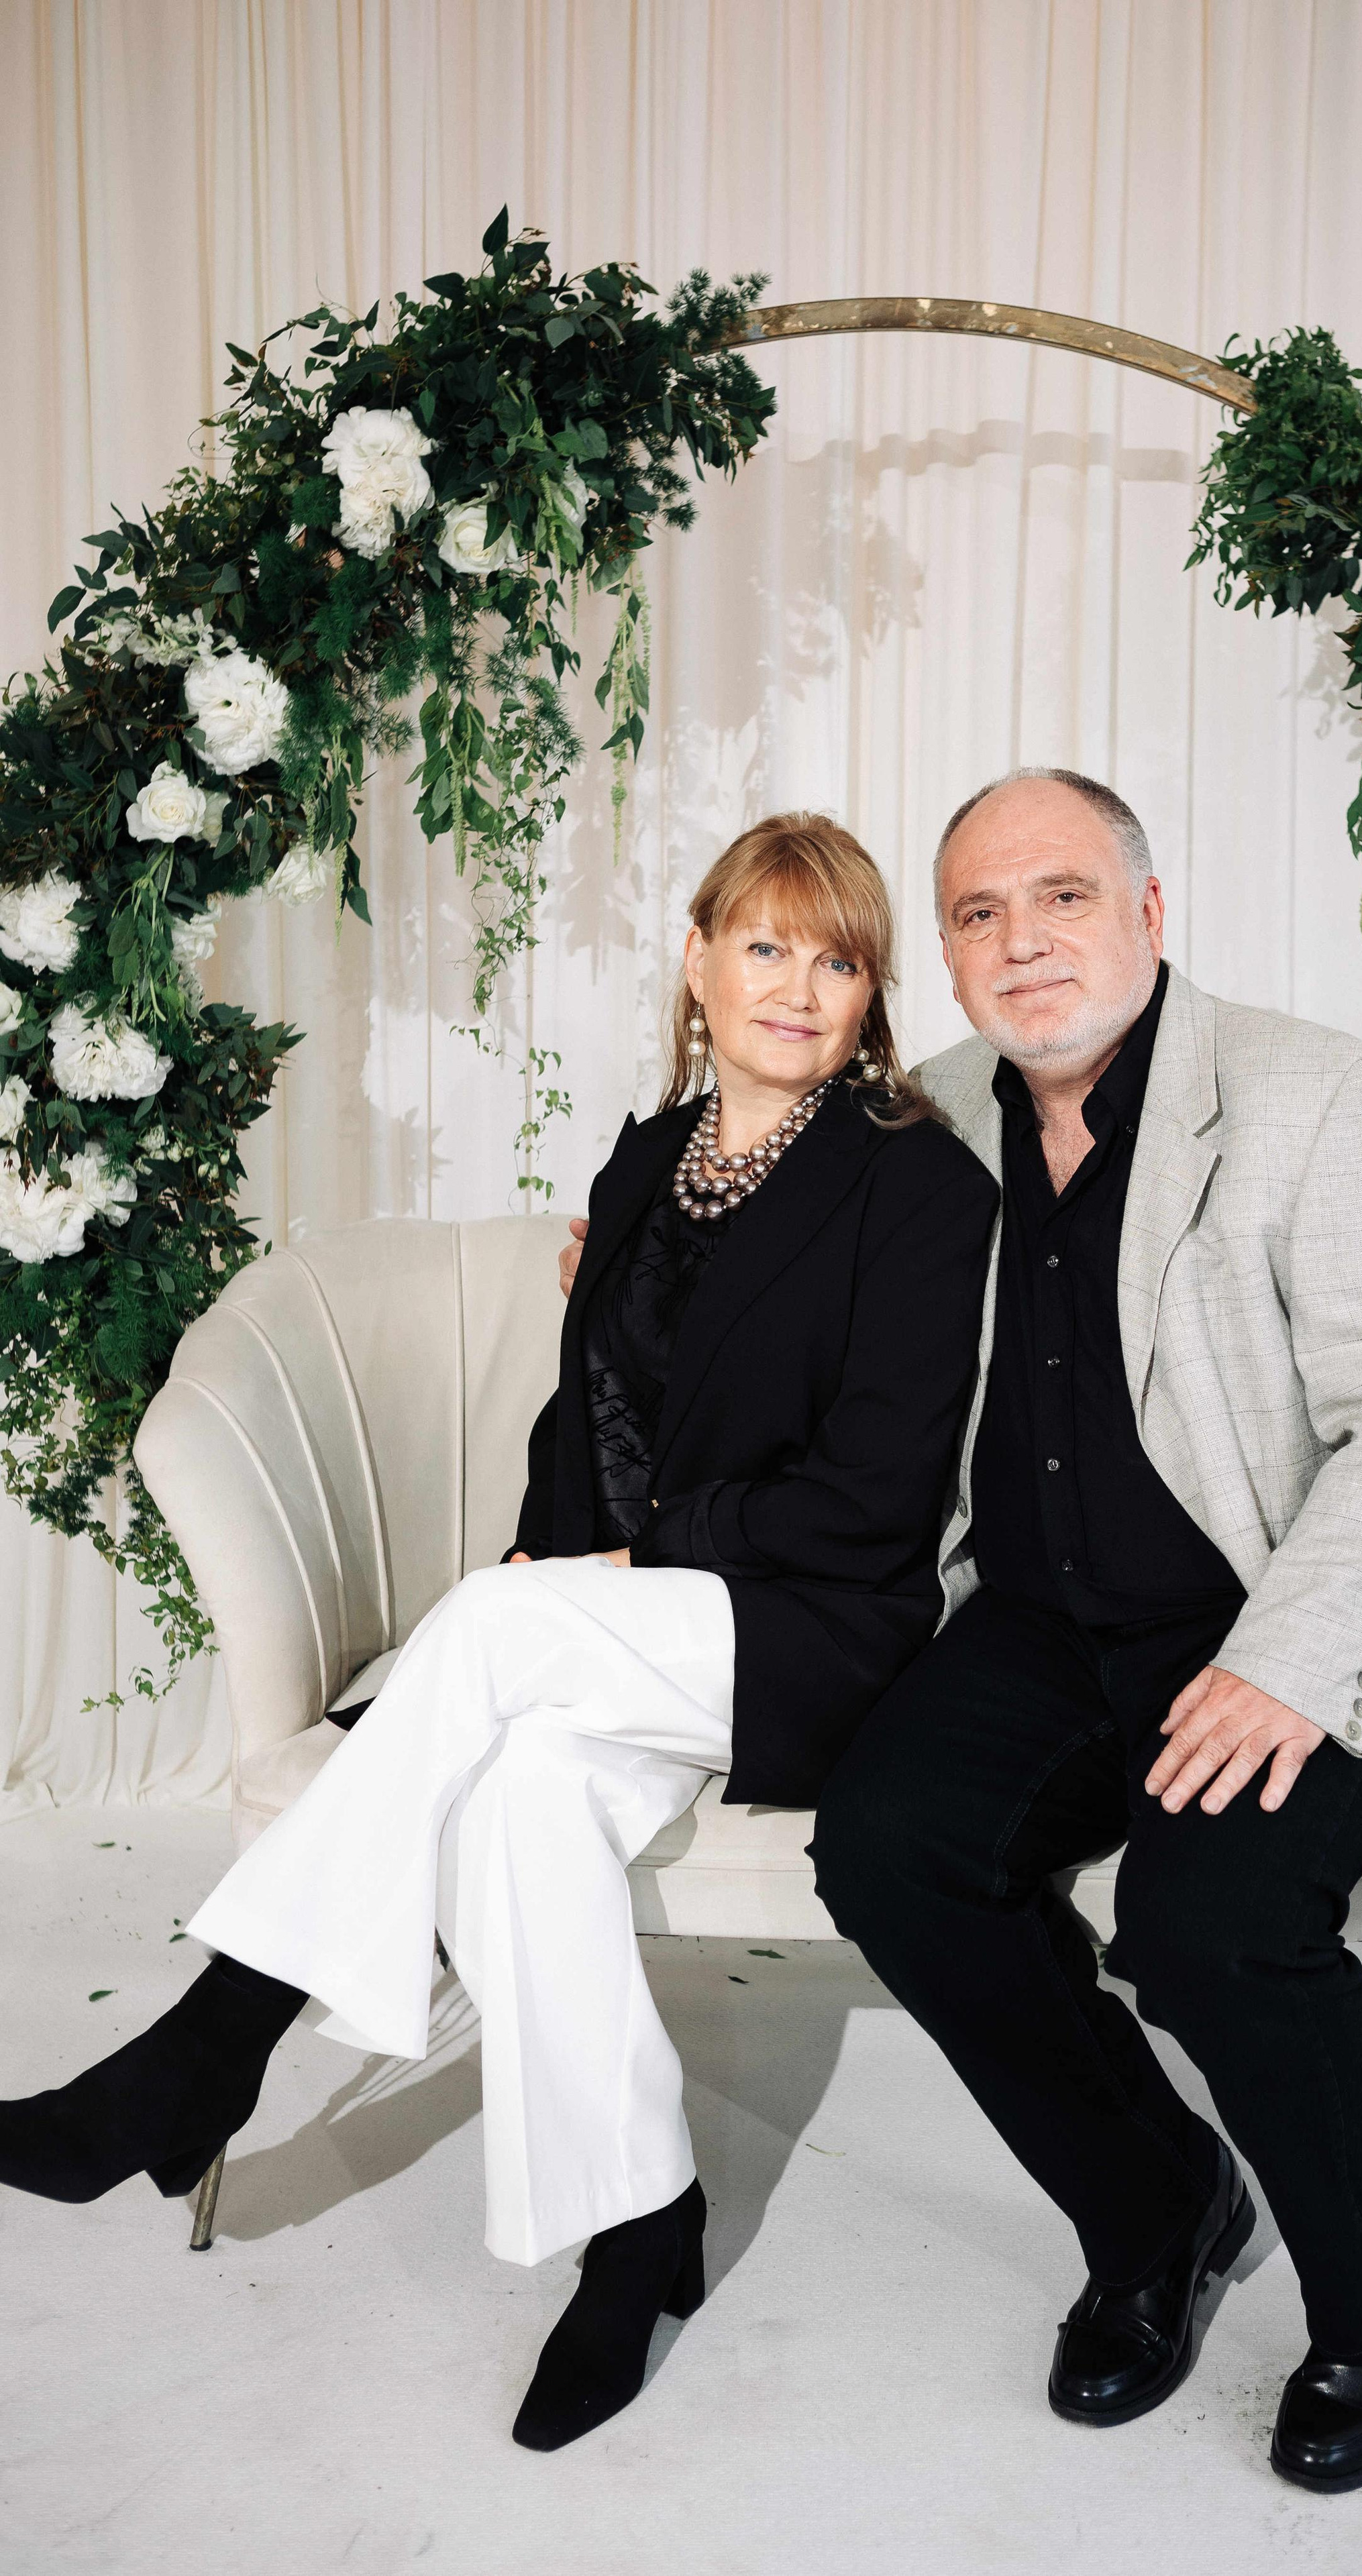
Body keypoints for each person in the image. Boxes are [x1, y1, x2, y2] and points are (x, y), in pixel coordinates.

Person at [0, 814, 996, 2456]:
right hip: (622, 1626)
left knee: (481, 1633)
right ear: (696, 959)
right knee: (527, 1794)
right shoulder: (645, 1165)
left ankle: (199, 2059)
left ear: (870, 996)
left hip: (808, 1630)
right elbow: (583, 1419)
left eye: (835, 959)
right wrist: (558, 1553)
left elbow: (877, 1497)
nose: (796, 986)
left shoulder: (909, 1185)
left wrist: (601, 1564)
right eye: (764, 946)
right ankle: (639, 2228)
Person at [807, 769, 1362, 2495]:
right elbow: (766, 1265)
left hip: (1268, 1610)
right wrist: (637, 1257)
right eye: (975, 914)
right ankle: (1157, 2208)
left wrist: (1280, 1659)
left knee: (1202, 1928)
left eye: (1056, 896)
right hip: (1040, 1627)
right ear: (948, 959)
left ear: (1147, 912)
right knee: (887, 1850)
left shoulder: (1309, 1095)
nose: (1018, 941)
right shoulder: (931, 1119)